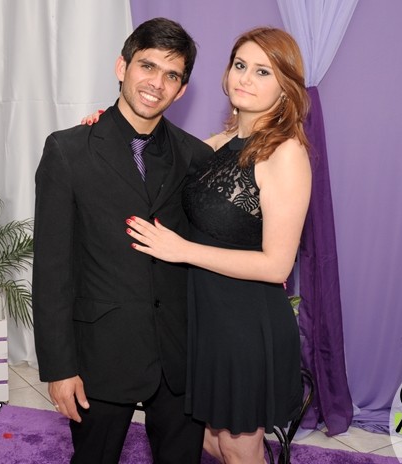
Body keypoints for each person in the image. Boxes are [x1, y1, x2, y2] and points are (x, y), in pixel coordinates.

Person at [123, 27, 312, 463]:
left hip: (245, 323)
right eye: (240, 65)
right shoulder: (217, 144)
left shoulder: (285, 153)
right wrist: (107, 123)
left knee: (238, 448)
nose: (245, 78)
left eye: (263, 71)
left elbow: (277, 265)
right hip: (206, 318)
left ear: (285, 87)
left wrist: (182, 250)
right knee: (209, 440)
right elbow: (151, 144)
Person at [32, 17, 213, 464]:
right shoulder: (68, 151)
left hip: (179, 357)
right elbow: (52, 271)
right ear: (122, 67)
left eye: (172, 75)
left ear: (182, 90)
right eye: (147, 66)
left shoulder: (196, 156)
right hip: (101, 355)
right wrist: (59, 368)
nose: (157, 83)